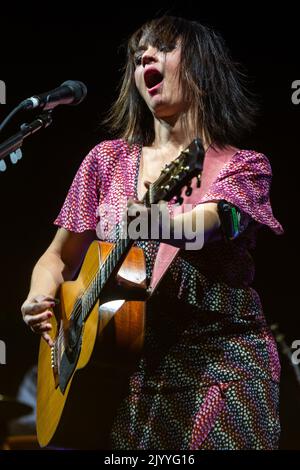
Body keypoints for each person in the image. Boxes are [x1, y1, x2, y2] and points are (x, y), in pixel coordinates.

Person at [21, 16, 283, 450]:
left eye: (162, 47)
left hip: (222, 369)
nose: (145, 56)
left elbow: (208, 227)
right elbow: (57, 259)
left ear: (201, 66)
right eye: (138, 53)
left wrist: (152, 222)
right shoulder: (105, 161)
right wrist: (39, 296)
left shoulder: (243, 166)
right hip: (128, 380)